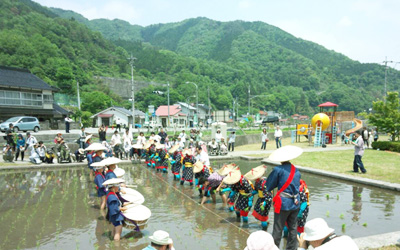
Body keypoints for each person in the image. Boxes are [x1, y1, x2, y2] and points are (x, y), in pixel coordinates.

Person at [266, 145, 302, 250]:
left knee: (278, 228)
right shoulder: (296, 170)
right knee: (293, 228)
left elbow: (269, 185)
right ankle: (292, 248)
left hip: (283, 204)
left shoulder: (278, 170)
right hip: (295, 203)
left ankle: (275, 248)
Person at [244, 165, 272, 230]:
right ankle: (266, 222)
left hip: (266, 200)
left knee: (263, 217)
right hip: (260, 199)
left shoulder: (264, 182)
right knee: (257, 214)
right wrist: (251, 194)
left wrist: (264, 203)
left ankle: (264, 230)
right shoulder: (257, 181)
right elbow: (256, 190)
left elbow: (269, 195)